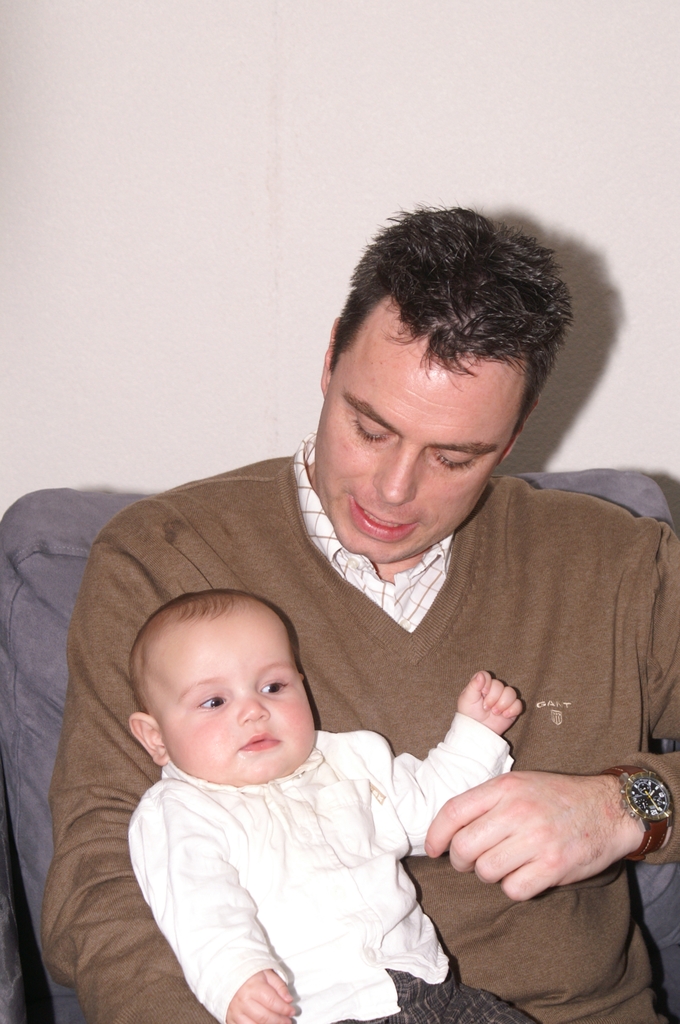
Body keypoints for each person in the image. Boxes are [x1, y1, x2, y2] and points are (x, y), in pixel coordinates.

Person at [42, 207, 680, 1024]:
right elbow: (100, 881)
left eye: (453, 457)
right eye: (370, 429)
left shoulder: (615, 562)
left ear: (516, 434)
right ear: (329, 361)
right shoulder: (162, 557)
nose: (393, 490)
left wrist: (629, 807)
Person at [126, 587, 529, 1024]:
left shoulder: (350, 759)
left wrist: (475, 736)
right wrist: (237, 977)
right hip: (323, 1010)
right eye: (214, 701)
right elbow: (201, 906)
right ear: (156, 738)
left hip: (436, 993)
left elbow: (431, 814)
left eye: (273, 687)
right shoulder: (180, 811)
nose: (254, 711)